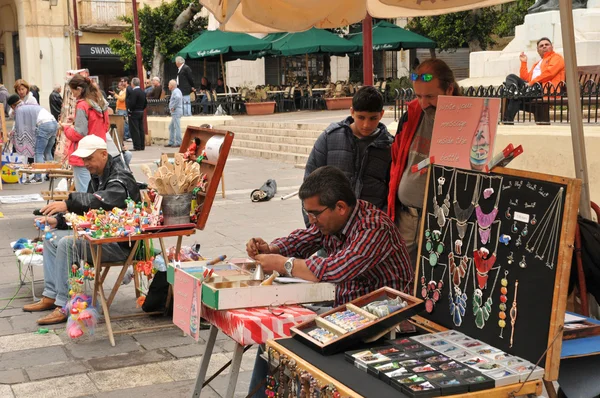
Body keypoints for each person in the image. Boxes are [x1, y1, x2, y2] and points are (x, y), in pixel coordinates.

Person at [246, 166, 413, 398]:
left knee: (287, 343)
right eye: (309, 214)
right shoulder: (332, 221)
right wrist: (271, 249)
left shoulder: (374, 227)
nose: (312, 220)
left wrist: (284, 264)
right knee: (273, 338)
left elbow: (334, 269)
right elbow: (302, 240)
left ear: (341, 207)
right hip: (347, 313)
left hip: (381, 323)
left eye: (315, 214)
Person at [23, 135, 141, 325]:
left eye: (89, 159)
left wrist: (68, 204)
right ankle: (52, 295)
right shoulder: (99, 175)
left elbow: (99, 201)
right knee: (52, 237)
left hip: (120, 243)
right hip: (102, 235)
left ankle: (64, 305)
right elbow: (87, 212)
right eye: (83, 159)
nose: (85, 163)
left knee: (67, 243)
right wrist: (58, 221)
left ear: (104, 154)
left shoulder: (120, 178)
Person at [388, 58, 459, 267]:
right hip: (406, 219)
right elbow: (397, 159)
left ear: (449, 90)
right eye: (418, 95)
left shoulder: (467, 118)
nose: (423, 103)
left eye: (430, 96)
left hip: (442, 221)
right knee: (401, 279)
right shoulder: (412, 115)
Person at [304, 86, 393, 215]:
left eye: (373, 118)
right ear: (352, 112)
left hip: (371, 227)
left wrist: (380, 224)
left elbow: (392, 193)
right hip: (330, 224)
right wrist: (314, 222)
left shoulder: (389, 147)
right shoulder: (330, 137)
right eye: (361, 117)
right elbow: (309, 183)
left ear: (381, 115)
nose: (366, 125)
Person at [61, 73, 110, 192]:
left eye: (73, 92)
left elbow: (79, 133)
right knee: (97, 191)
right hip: (98, 152)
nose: (73, 95)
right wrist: (77, 120)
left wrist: (66, 128)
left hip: (84, 154)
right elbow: (105, 126)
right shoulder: (99, 103)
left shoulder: (83, 105)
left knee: (84, 193)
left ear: (79, 89)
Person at [503, 37, 565, 123]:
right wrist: (523, 63)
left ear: (552, 47)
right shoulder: (537, 63)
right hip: (531, 88)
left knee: (514, 98)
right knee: (511, 77)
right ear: (538, 50)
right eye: (541, 46)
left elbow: (549, 73)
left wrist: (531, 83)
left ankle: (507, 121)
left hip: (544, 88)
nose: (544, 47)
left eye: (547, 45)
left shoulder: (557, 58)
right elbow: (526, 79)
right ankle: (515, 92)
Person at [7, 95, 58, 182]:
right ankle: (51, 174)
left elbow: (20, 127)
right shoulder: (28, 105)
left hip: (44, 125)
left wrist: (13, 134)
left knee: (38, 152)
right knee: (47, 151)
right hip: (54, 123)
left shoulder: (19, 109)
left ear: (12, 106)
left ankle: (37, 177)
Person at [126, 77, 148, 151]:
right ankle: (142, 145)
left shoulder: (134, 92)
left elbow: (132, 103)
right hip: (141, 111)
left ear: (133, 83)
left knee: (135, 129)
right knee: (141, 129)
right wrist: (141, 108)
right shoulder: (143, 92)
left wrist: (130, 110)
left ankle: (137, 146)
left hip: (134, 112)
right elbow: (145, 103)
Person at [109, 77, 131, 142]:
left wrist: (115, 94)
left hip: (123, 109)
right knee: (120, 123)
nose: (119, 86)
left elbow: (122, 99)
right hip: (119, 108)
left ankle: (126, 136)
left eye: (120, 85)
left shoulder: (125, 91)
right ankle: (122, 135)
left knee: (125, 123)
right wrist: (116, 108)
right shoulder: (121, 91)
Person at [166, 79, 183, 148]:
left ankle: (178, 142)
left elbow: (178, 98)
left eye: (169, 85)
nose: (168, 86)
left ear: (172, 86)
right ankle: (171, 141)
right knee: (171, 127)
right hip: (175, 111)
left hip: (176, 111)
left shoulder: (175, 91)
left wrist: (173, 107)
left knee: (177, 126)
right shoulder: (176, 91)